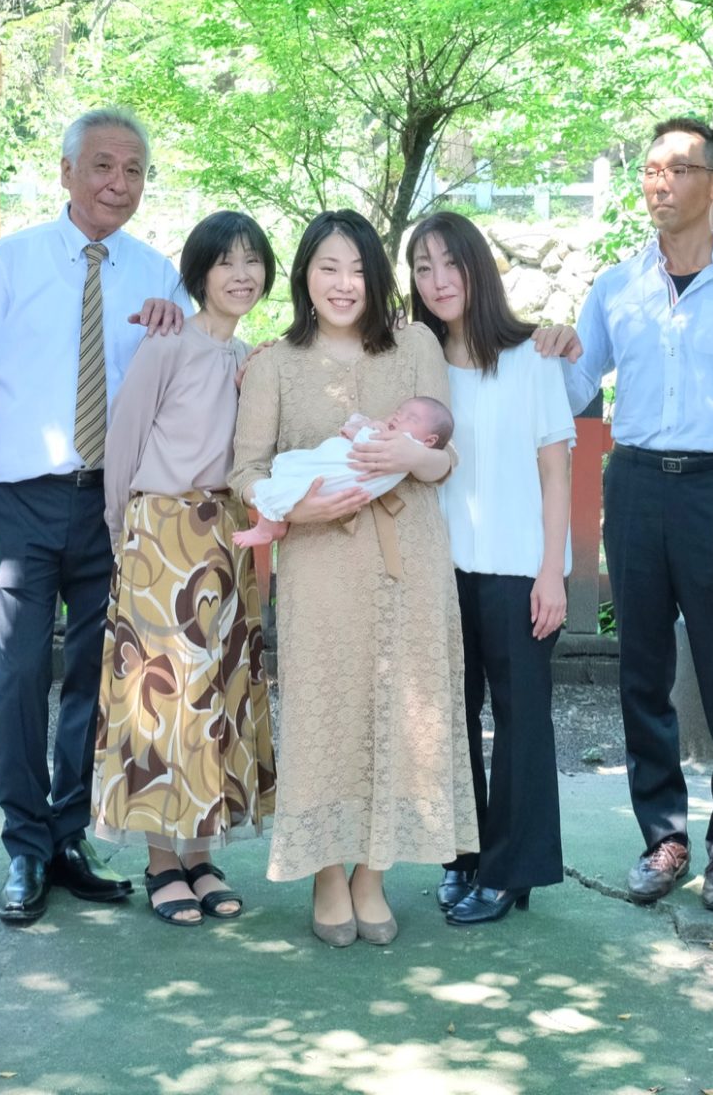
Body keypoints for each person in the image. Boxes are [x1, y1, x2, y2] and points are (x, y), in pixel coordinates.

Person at [0, 108, 187, 926]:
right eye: (104, 166)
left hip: (115, 502)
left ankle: (71, 833)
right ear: (69, 171)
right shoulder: (12, 262)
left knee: (96, 675)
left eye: (135, 170)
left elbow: (189, 382)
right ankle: (24, 845)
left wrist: (177, 330)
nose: (119, 183)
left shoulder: (158, 274)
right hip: (23, 499)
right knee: (15, 671)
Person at [564, 116, 713, 913]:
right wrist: (536, 351)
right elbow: (574, 389)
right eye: (650, 170)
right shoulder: (614, 285)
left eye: (677, 169)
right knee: (641, 670)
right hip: (633, 486)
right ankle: (663, 837)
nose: (658, 183)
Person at [229, 208, 476, 948]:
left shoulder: (416, 345)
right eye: (328, 268)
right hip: (320, 561)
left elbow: (444, 459)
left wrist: (405, 458)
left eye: (359, 269)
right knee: (324, 707)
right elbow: (246, 468)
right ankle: (327, 875)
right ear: (305, 273)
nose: (343, 284)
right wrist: (300, 507)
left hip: (410, 558)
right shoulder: (274, 363)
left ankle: (374, 874)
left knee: (406, 711)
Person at [93, 210, 280, 926]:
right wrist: (125, 536)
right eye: (225, 260)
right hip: (161, 533)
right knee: (158, 700)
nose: (241, 273)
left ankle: (201, 853)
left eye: (253, 260)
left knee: (218, 697)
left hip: (229, 537)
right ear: (199, 272)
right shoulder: (167, 345)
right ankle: (160, 862)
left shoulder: (254, 361)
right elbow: (126, 441)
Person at [405, 210, 576, 925]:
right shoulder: (418, 366)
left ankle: (512, 871)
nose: (438, 280)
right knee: (448, 718)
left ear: (477, 268)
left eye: (450, 263)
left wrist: (550, 573)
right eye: (422, 267)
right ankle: (465, 857)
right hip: (440, 568)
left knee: (520, 719)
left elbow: (556, 472)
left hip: (516, 568)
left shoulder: (533, 357)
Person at [231, 396, 454, 547]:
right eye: (399, 412)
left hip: (337, 481)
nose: (398, 417)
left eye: (411, 418)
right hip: (327, 489)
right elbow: (245, 470)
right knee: (284, 481)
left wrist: (364, 428)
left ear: (430, 440)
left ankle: (266, 529)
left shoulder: (406, 443)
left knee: (281, 487)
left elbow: (448, 458)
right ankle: (275, 521)